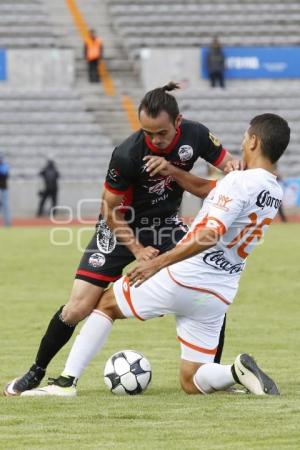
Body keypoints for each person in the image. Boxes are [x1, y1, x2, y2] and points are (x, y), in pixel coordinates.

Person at [18, 113, 290, 397]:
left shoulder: (239, 182)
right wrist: (172, 171)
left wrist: (157, 264)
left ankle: (65, 383)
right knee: (192, 380)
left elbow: (210, 234)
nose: (243, 141)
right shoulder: (272, 190)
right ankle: (235, 370)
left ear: (255, 141)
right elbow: (203, 189)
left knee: (105, 304)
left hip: (186, 275)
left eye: (246, 136)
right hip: (218, 292)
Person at [0, 154, 12, 227]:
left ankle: (7, 222)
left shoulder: (4, 166)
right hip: (3, 188)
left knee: (5, 205)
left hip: (3, 188)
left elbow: (4, 173)